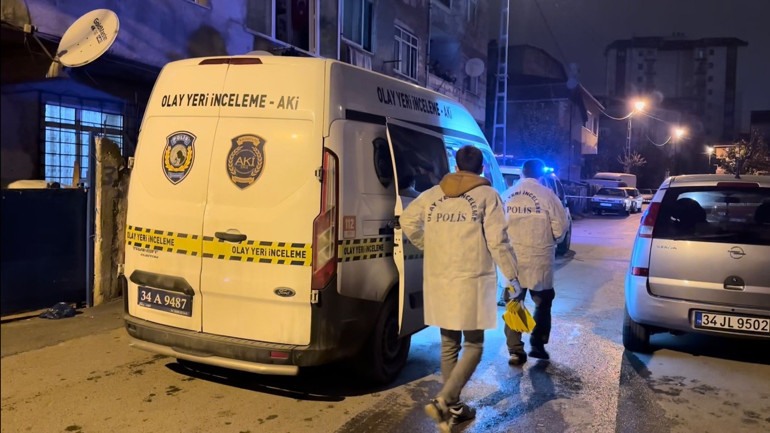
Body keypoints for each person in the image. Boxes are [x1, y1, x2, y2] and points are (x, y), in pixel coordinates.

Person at [400, 145, 520, 432]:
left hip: (439, 277)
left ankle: (453, 407)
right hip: (471, 278)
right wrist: (512, 278)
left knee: (449, 343)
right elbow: (498, 241)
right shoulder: (487, 196)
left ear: (455, 167)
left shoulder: (432, 194)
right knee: (474, 345)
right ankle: (446, 400)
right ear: (482, 169)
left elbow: (407, 220)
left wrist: (429, 245)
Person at [502, 158, 568, 366]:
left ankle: (515, 351)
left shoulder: (506, 195)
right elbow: (560, 229)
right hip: (539, 260)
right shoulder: (548, 196)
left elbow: (496, 228)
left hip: (512, 260)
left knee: (514, 303)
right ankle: (538, 344)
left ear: (522, 172)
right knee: (543, 302)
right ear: (541, 175)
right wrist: (551, 240)